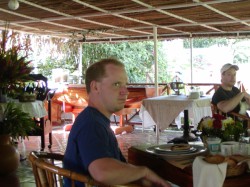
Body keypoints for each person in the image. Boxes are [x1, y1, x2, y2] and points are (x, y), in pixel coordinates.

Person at [63, 58, 171, 187]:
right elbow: (102, 173)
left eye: (125, 85)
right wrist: (144, 172)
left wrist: (143, 179)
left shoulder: (94, 119)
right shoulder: (91, 124)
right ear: (95, 87)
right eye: (116, 84)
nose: (125, 91)